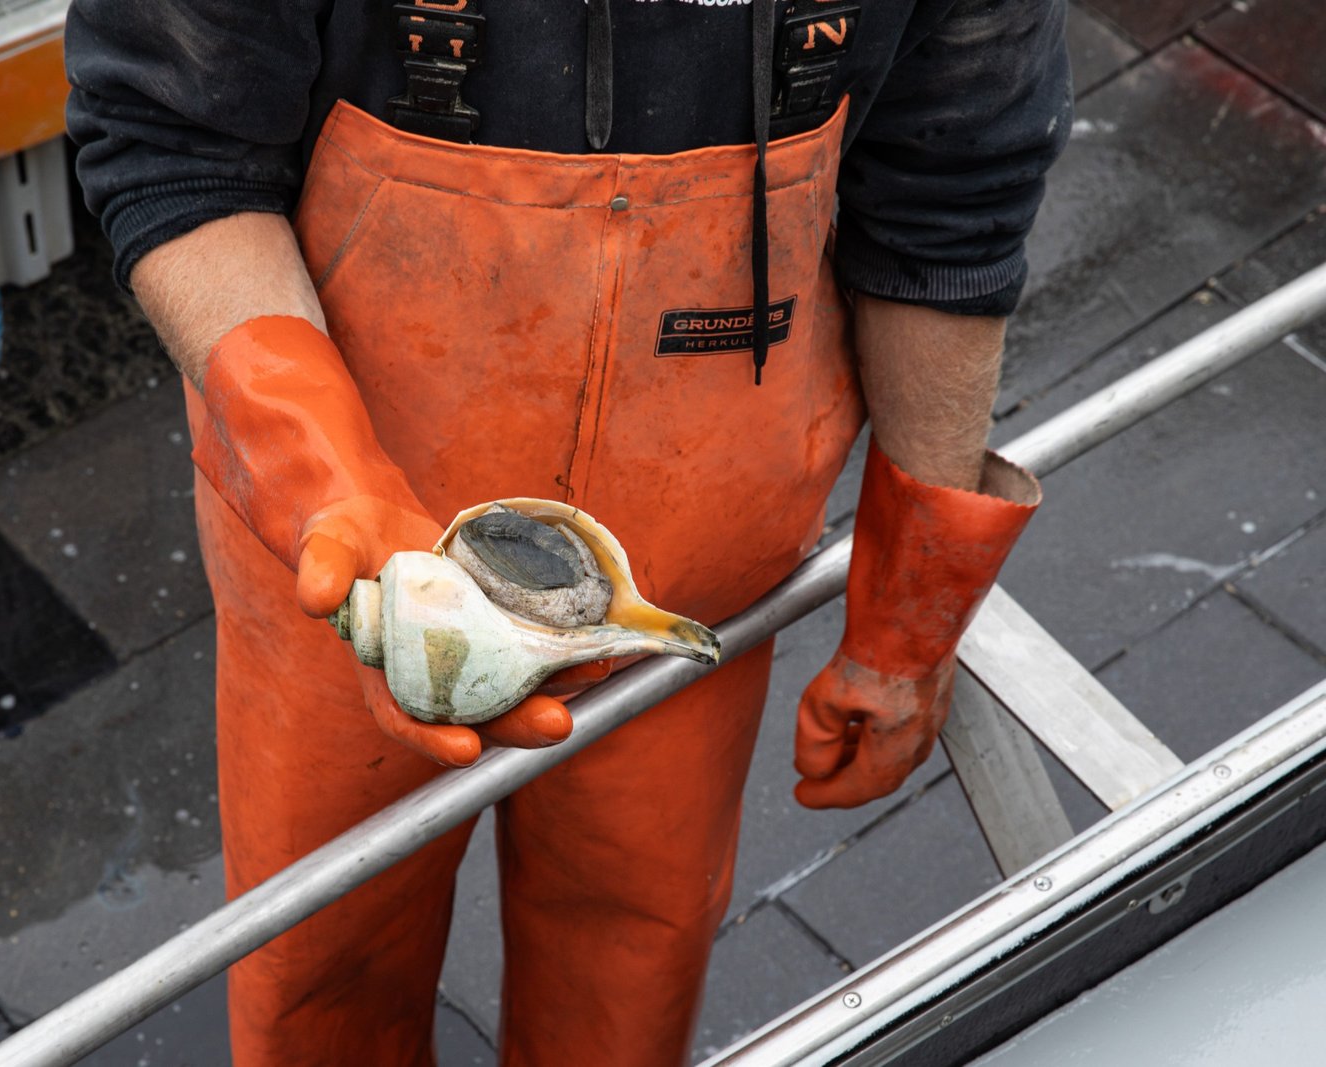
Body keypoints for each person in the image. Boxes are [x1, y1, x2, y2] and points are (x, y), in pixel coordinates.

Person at [65, 1, 1067, 1063]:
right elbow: (175, 142)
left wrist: (912, 615)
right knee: (321, 963)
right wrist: (324, 478)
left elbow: (951, 196)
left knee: (635, 949)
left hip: (698, 561)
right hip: (344, 550)